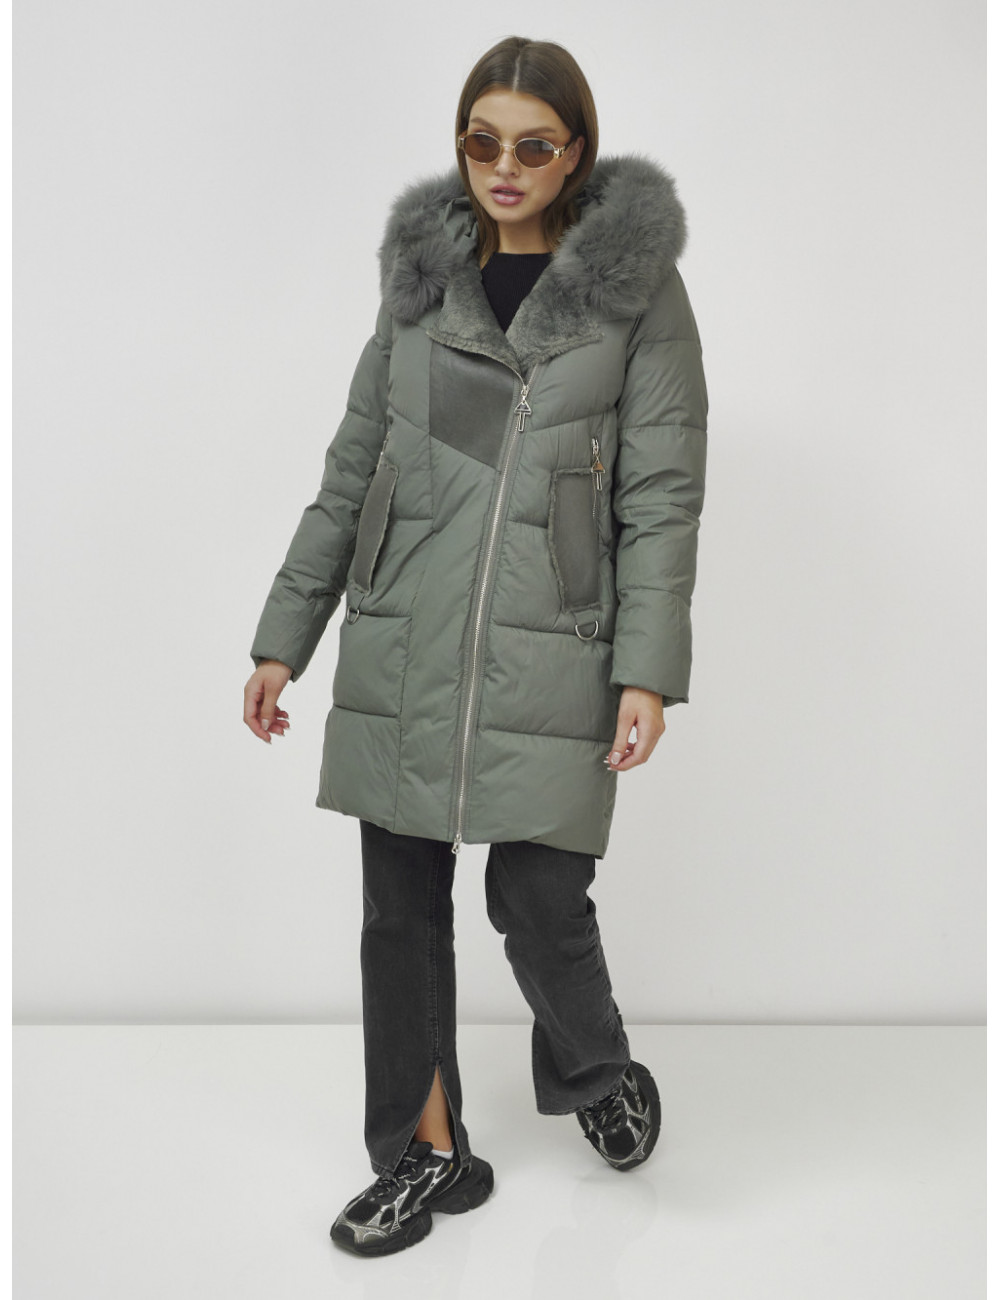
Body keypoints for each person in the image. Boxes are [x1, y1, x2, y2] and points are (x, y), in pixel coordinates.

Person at [243, 35, 708, 1258]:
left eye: (532, 146)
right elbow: (354, 468)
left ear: (575, 151)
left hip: (555, 639)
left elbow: (660, 493)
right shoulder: (421, 282)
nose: (504, 167)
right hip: (406, 631)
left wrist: (647, 668)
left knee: (536, 894)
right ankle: (425, 1153)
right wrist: (287, 635)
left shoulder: (634, 294)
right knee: (398, 908)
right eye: (480, 141)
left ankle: (596, 1067)